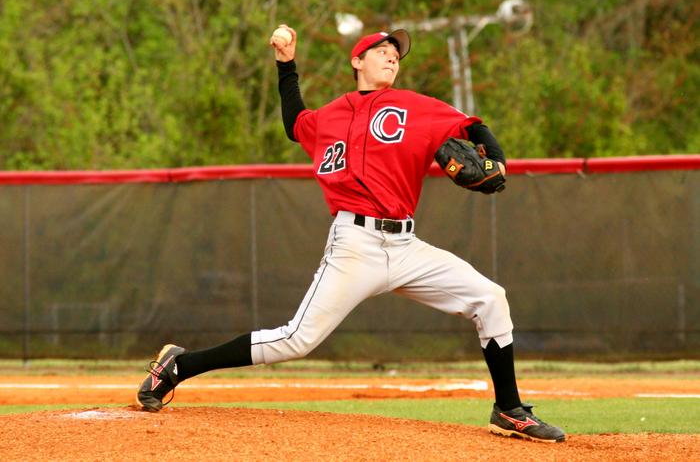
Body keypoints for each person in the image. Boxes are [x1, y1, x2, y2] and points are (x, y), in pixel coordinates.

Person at [136, 24, 565, 443]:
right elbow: (295, 122)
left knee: (490, 297)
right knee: (295, 340)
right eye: (382, 51)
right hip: (354, 246)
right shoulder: (330, 115)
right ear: (357, 61)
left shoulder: (415, 106)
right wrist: (286, 64)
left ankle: (509, 410)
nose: (392, 57)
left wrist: (498, 158)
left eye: (396, 55)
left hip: (406, 246)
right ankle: (178, 367)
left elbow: (471, 125)